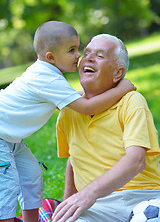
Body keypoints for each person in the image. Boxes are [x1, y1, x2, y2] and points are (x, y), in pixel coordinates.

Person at [0, 22, 135, 222]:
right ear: (51, 57)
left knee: (32, 174)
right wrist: (121, 89)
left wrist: (102, 92)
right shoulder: (47, 78)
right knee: (7, 185)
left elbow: (73, 100)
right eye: (72, 50)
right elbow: (87, 107)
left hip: (11, 140)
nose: (78, 55)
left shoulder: (47, 75)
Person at [53, 34, 160, 222]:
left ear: (118, 73)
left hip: (141, 196)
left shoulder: (131, 101)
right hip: (97, 206)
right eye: (86, 53)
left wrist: (87, 194)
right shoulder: (69, 111)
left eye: (100, 55)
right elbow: (74, 159)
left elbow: (136, 161)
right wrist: (67, 205)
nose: (89, 58)